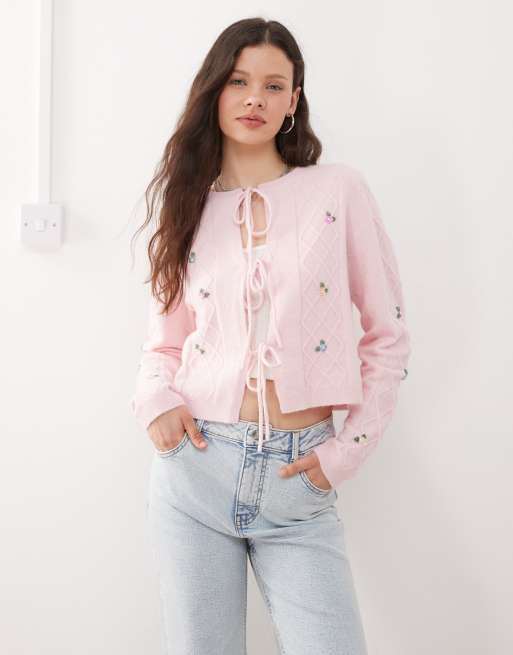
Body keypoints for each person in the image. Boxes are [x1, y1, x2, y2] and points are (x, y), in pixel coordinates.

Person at [130, 16, 410, 655]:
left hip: (299, 480)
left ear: (293, 101)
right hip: (194, 473)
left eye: (273, 85)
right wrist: (155, 403)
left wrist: (345, 454)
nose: (254, 97)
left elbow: (388, 335)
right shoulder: (187, 205)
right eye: (238, 81)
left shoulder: (337, 191)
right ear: (215, 91)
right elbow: (163, 343)